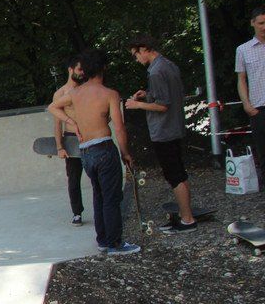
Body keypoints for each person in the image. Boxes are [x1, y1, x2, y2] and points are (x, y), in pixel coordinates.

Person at [48, 49, 140, 255]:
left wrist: (71, 122)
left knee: (98, 196)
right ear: (103, 68)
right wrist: (125, 152)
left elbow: (52, 107)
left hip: (86, 151)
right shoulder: (109, 94)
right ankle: (115, 243)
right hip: (104, 148)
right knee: (111, 197)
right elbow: (119, 128)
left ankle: (103, 240)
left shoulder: (74, 94)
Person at [125, 35, 196, 232]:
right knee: (179, 172)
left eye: (135, 55)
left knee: (174, 175)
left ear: (144, 49)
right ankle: (185, 214)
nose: (136, 59)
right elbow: (167, 95)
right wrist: (147, 95)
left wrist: (137, 105)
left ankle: (188, 219)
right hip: (174, 127)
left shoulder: (156, 72)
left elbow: (163, 105)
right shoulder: (169, 65)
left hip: (164, 130)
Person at [52, 54, 85, 226]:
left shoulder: (86, 90)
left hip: (89, 135)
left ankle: (103, 207)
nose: (82, 72)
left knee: (97, 174)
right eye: (79, 69)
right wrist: (59, 147)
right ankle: (77, 212)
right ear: (70, 69)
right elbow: (57, 123)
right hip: (71, 138)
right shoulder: (60, 94)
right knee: (73, 177)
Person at [236, 5, 265, 179]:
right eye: (261, 23)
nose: (264, 27)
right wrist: (246, 104)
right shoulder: (243, 50)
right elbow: (241, 79)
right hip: (258, 108)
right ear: (252, 23)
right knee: (262, 150)